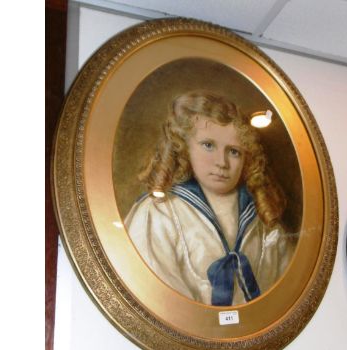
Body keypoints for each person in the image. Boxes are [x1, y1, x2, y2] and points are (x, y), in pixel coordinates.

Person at [125, 91, 294, 306]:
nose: (221, 162)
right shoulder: (158, 212)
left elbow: (285, 290)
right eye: (208, 145)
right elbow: (155, 295)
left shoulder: (263, 218)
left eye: (233, 151)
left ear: (247, 157)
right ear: (185, 148)